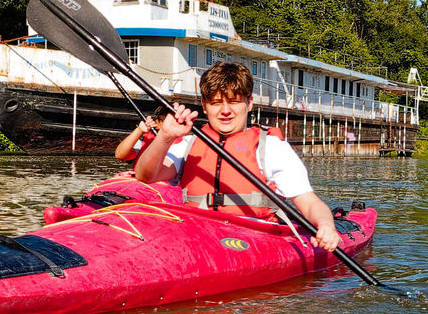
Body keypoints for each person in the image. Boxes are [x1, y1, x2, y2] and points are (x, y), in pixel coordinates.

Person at [134, 62, 340, 252]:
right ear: (204, 105)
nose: (225, 111)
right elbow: (145, 175)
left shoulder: (271, 148)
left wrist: (325, 225)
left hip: (256, 238)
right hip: (197, 234)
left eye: (234, 101)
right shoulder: (188, 145)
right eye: (216, 103)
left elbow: (310, 203)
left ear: (249, 103)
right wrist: (165, 137)